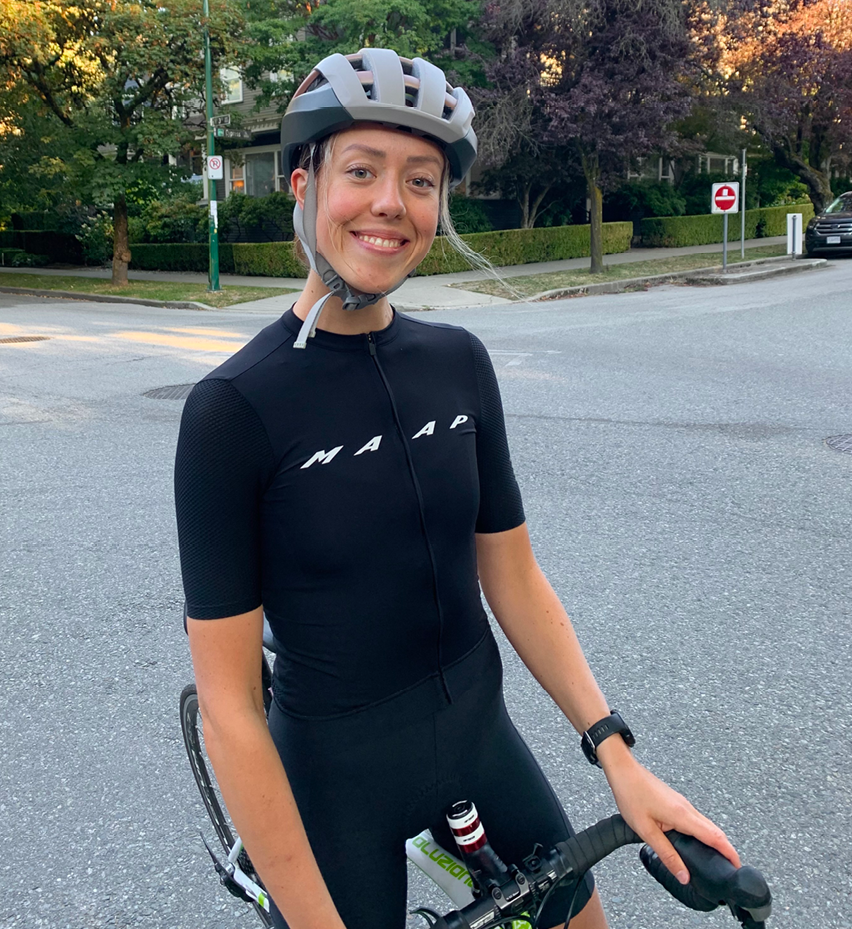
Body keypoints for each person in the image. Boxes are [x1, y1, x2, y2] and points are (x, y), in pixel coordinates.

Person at [174, 48, 740, 929]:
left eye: (422, 181)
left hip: (479, 738)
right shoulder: (232, 411)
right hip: (333, 778)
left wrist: (618, 755)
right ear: (301, 181)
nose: (391, 204)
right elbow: (229, 706)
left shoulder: (458, 364)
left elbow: (511, 575)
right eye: (360, 171)